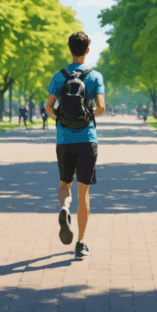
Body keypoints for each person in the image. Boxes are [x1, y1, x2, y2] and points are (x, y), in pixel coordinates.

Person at [47, 31, 105, 261]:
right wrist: (88, 113)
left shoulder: (58, 76)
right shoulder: (95, 76)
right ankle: (80, 243)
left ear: (70, 49)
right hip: (87, 139)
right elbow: (101, 107)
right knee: (84, 192)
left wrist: (61, 118)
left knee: (65, 184)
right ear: (87, 50)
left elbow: (49, 107)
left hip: (64, 140)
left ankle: (64, 209)